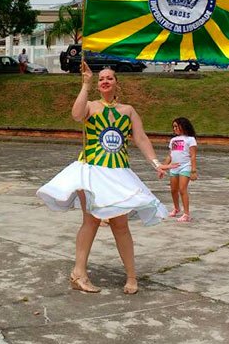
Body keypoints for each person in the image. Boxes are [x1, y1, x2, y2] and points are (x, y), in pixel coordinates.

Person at [37, 62, 173, 295]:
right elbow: (76, 115)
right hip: (91, 170)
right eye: (101, 78)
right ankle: (78, 273)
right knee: (90, 221)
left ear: (116, 82)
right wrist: (85, 83)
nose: (105, 81)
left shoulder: (128, 110)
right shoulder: (91, 106)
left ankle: (131, 276)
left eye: (109, 78)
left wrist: (156, 163)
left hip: (119, 172)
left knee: (121, 225)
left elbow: (140, 138)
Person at [163, 117, 198, 222]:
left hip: (185, 166)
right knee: (173, 190)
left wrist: (193, 171)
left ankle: (186, 214)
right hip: (174, 167)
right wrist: (163, 167)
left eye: (176, 126)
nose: (174, 129)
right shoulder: (173, 140)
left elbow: (193, 156)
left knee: (182, 189)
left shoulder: (190, 139)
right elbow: (170, 155)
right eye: (173, 127)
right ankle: (176, 208)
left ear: (183, 126)